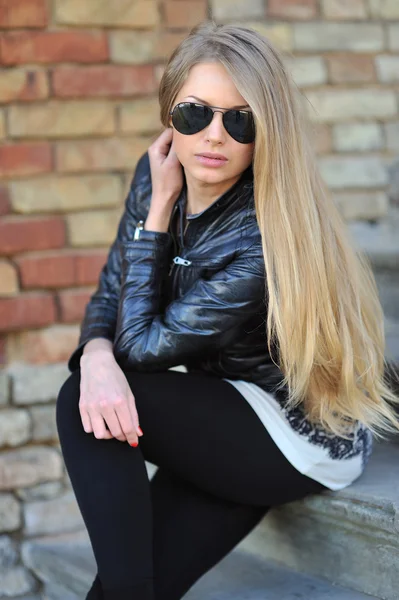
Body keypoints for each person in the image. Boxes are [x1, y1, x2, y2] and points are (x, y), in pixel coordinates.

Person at [56, 20, 399, 600]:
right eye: (196, 113)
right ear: (169, 114)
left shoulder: (263, 233)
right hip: (224, 412)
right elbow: (111, 294)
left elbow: (139, 349)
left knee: (84, 403)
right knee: (121, 588)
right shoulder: (155, 172)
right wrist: (93, 353)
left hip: (298, 437)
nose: (214, 136)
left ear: (265, 133)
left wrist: (160, 211)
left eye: (239, 120)